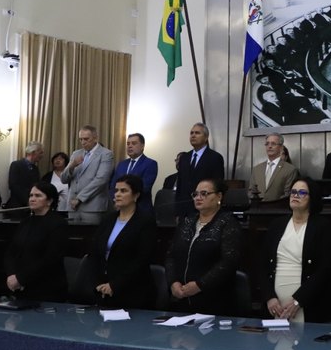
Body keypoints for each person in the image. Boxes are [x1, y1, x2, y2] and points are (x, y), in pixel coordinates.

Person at [262, 178, 331, 323]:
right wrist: (269, 297)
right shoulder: (277, 225)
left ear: (312, 198)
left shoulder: (322, 226)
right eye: (293, 192)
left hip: (308, 304)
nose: (295, 195)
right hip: (275, 306)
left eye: (302, 192)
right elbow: (262, 264)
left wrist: (299, 300)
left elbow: (325, 268)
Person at [166, 179, 242, 315]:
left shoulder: (228, 222)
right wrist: (173, 282)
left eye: (204, 193)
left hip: (214, 300)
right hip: (181, 298)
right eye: (195, 194)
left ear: (219, 196)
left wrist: (200, 285)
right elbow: (171, 255)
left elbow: (228, 262)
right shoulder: (187, 221)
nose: (198, 197)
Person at [88, 174, 157, 309]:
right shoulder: (108, 219)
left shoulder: (145, 221)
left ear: (136, 195)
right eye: (116, 190)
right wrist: (97, 282)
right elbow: (94, 251)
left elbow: (142, 259)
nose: (117, 194)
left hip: (132, 291)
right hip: (103, 289)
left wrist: (115, 285)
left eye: (123, 191)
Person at [3, 181, 68, 302]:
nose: (32, 199)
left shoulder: (58, 223)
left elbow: (51, 258)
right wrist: (11, 275)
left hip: (46, 288)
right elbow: (11, 252)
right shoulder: (25, 222)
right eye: (31, 195)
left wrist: (21, 278)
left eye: (38, 196)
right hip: (20, 286)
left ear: (49, 201)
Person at [61, 125, 114, 224]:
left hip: (92, 206)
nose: (83, 142)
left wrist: (79, 198)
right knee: (72, 236)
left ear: (95, 138)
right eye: (80, 139)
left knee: (90, 237)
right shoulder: (76, 153)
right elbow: (63, 179)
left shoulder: (106, 154)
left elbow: (101, 179)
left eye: (86, 139)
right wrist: (72, 166)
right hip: (72, 206)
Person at [176, 123, 225, 219]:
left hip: (206, 209)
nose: (193, 135)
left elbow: (218, 185)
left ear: (206, 137)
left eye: (197, 133)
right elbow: (180, 186)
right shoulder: (184, 158)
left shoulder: (215, 157)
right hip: (184, 211)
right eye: (191, 133)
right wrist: (177, 211)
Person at [108, 133, 158, 213]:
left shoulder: (150, 163)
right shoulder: (121, 164)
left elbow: (145, 187)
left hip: (141, 210)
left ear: (142, 146)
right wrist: (116, 201)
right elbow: (113, 186)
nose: (129, 146)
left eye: (134, 143)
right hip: (120, 209)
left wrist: (125, 201)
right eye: (128, 144)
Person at [250, 133, 298, 201]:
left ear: (281, 147)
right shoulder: (257, 169)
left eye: (273, 144)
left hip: (278, 209)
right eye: (267, 144)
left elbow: (288, 194)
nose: (269, 146)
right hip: (257, 209)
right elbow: (251, 192)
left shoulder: (290, 169)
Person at [6, 141, 44, 209]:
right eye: (40, 153)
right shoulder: (16, 165)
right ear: (33, 152)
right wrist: (27, 200)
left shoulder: (35, 169)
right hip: (17, 206)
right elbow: (13, 185)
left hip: (32, 206)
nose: (42, 155)